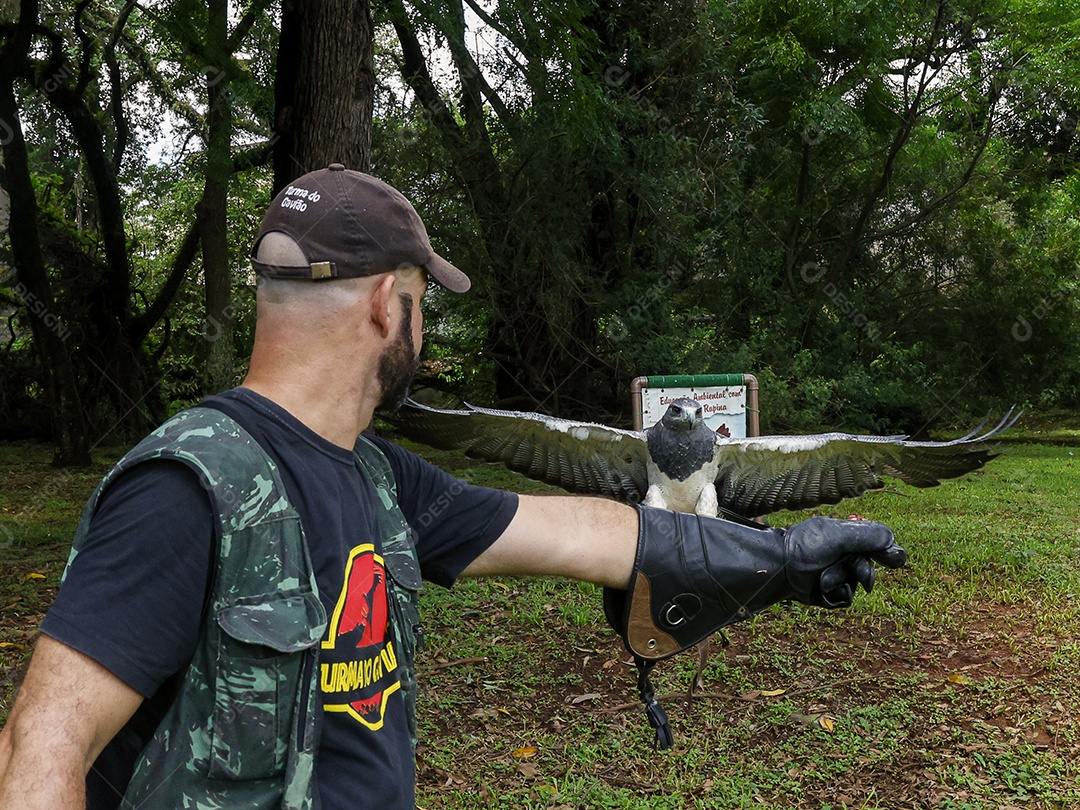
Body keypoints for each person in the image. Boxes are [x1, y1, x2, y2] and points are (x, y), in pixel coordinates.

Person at [0, 164, 905, 810]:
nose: (421, 327)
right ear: (386, 306)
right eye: (423, 305)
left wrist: (782, 556)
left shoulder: (377, 473)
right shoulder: (187, 483)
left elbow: (582, 532)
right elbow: (36, 751)